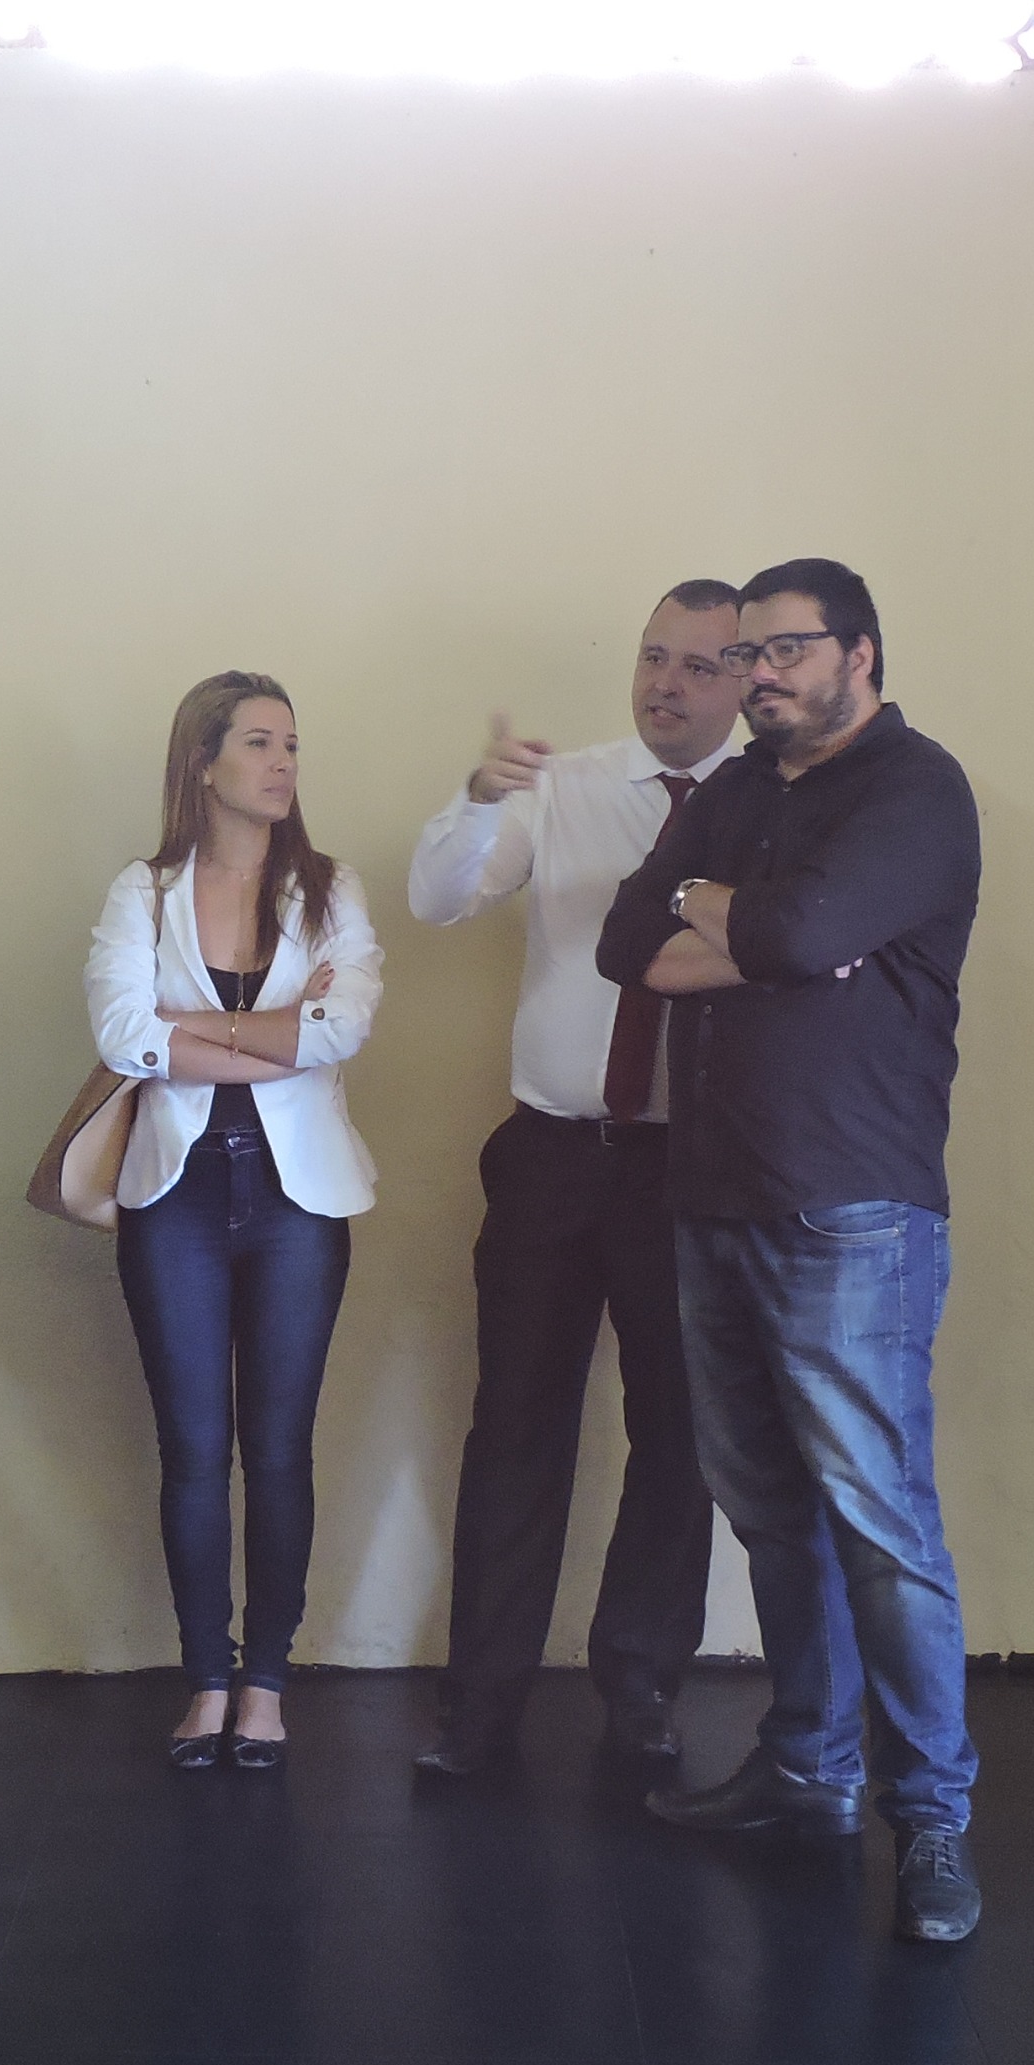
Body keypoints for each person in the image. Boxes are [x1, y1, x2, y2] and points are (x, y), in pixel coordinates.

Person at [596, 557, 987, 1945]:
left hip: (851, 1209)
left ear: (859, 654)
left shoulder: (914, 791)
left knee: (880, 1525)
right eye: (743, 654)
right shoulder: (736, 791)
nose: (754, 674)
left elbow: (809, 925)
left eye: (784, 650)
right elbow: (625, 942)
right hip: (713, 1196)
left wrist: (741, 917)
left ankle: (931, 1818)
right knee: (766, 1505)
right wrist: (754, 926)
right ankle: (808, 1768)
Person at [403, 583, 745, 1780]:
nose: (664, 684)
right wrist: (473, 798)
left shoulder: (768, 808)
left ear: (744, 680)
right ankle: (478, 1703)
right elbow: (439, 899)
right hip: (551, 1156)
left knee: (679, 1439)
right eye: (652, 658)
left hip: (691, 1168)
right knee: (514, 1426)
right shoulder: (564, 787)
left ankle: (641, 1689)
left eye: (696, 665)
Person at [89, 673, 383, 1770]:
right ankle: (205, 1679)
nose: (282, 763)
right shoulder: (143, 890)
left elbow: (341, 1029)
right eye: (258, 742)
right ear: (202, 763)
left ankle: (266, 1682)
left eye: (291, 744)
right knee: (192, 1450)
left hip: (298, 1201)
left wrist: (195, 1029)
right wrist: (277, 1030)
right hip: (175, 1195)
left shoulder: (328, 888)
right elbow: (122, 1034)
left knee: (279, 1448)